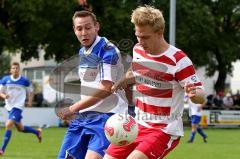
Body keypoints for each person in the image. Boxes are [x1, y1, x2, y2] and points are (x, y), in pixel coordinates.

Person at [103, 5, 206, 159]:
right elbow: (136, 71)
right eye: (137, 35)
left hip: (163, 130)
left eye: (145, 37)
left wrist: (194, 93)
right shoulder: (138, 49)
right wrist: (123, 81)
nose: (140, 41)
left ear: (159, 33)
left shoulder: (179, 60)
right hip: (136, 125)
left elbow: (201, 95)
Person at [57, 11, 128, 159]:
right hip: (83, 117)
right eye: (79, 28)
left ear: (97, 27)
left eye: (88, 28)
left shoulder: (107, 50)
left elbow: (106, 89)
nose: (84, 33)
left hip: (107, 117)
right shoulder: (83, 51)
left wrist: (72, 108)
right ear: (74, 30)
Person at [0, 62, 42, 156]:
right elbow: (0, 92)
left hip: (18, 106)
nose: (15, 70)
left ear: (19, 70)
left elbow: (31, 92)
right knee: (20, 128)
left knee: (8, 124)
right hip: (9, 107)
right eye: (13, 68)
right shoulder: (5, 80)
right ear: (10, 70)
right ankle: (37, 132)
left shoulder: (24, 81)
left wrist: (30, 101)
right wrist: (4, 96)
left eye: (17, 68)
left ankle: (2, 149)